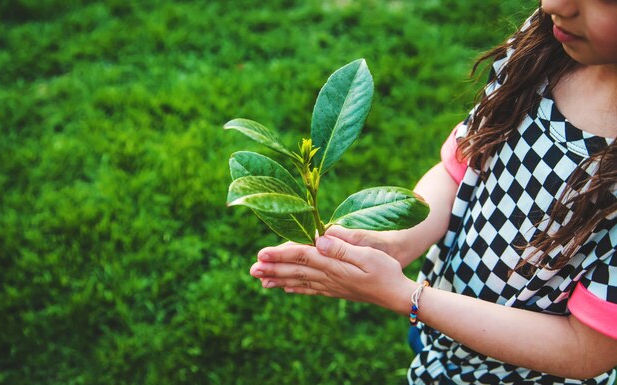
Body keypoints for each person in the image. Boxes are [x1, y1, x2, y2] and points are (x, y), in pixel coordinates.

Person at [249, 1, 617, 384]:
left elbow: (584, 349)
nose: (555, 3)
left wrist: (406, 297)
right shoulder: (546, 46)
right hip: (441, 317)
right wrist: (397, 244)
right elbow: (460, 169)